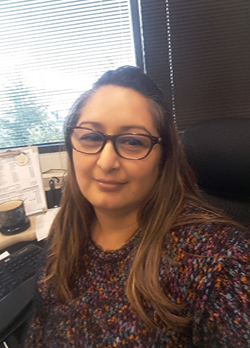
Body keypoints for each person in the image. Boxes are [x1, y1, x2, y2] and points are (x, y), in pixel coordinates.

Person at [24, 66, 250, 347]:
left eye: (132, 142)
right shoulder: (65, 232)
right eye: (91, 137)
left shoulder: (221, 261)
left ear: (163, 157)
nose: (106, 162)